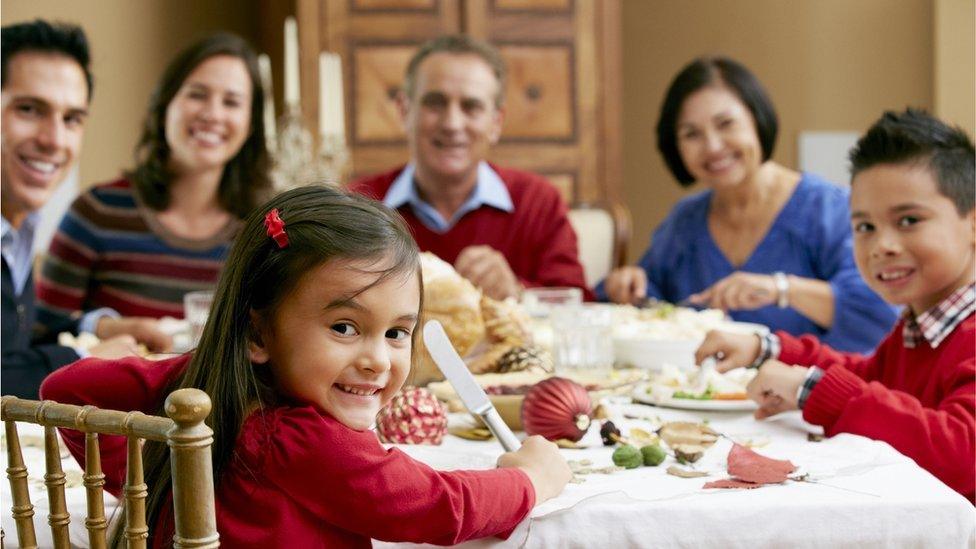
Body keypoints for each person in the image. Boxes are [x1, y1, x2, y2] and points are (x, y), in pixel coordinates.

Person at [41, 186, 572, 546]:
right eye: (344, 327)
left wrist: (152, 466)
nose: (376, 359)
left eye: (397, 333)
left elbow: (65, 389)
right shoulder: (304, 441)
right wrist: (528, 479)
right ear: (257, 333)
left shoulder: (212, 396)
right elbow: (441, 507)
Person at [696, 109, 975, 501]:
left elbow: (963, 453)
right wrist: (768, 349)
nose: (883, 246)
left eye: (909, 220)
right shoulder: (919, 327)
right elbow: (869, 377)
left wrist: (812, 391)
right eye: (865, 228)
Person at [598, 57, 897, 353]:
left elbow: (880, 313)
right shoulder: (685, 221)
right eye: (692, 134)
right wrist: (628, 284)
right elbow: (651, 302)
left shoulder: (828, 210)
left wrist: (781, 290)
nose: (713, 147)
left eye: (725, 124)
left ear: (757, 119)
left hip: (808, 394)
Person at [35, 32, 272, 348]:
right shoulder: (96, 212)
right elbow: (38, 335)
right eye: (197, 94)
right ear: (165, 106)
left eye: (232, 102)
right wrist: (104, 327)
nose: (213, 114)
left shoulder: (264, 233)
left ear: (251, 124)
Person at [350, 35, 587, 301]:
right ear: (405, 110)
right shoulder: (359, 205)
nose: (452, 123)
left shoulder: (538, 202)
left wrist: (516, 292)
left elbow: (576, 304)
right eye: (435, 103)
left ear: (496, 122)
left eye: (471, 106)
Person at [2, 19, 142, 399]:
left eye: (72, 119)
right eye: (30, 109)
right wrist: (83, 358)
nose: (54, 140)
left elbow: (11, 348)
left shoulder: (18, 230)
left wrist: (98, 327)